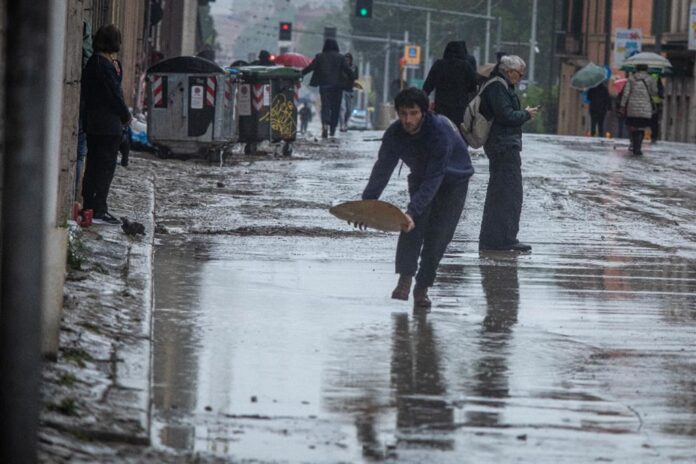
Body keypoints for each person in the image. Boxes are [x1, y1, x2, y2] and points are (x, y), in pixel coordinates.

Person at [360, 88, 474, 309]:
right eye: (403, 114)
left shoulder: (439, 132)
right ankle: (404, 279)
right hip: (421, 176)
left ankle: (422, 287)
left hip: (453, 181)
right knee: (410, 227)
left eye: (413, 113)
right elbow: (382, 170)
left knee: (438, 237)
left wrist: (413, 211)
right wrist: (366, 205)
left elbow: (435, 178)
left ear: (424, 112)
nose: (408, 120)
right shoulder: (395, 134)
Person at [478, 55, 538, 252]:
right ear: (508, 71)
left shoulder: (501, 86)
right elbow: (506, 115)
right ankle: (503, 239)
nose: (519, 78)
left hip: (503, 144)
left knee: (503, 193)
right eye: (518, 74)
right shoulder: (498, 87)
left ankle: (498, 237)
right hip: (502, 145)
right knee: (508, 194)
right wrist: (526, 114)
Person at [80, 24, 131, 225]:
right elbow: (114, 94)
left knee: (97, 165)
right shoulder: (101, 65)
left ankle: (92, 206)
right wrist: (125, 115)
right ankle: (98, 208)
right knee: (102, 167)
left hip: (101, 124)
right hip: (105, 125)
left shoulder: (102, 63)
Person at [302, 39, 354, 138]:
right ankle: (333, 129)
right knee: (336, 108)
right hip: (338, 87)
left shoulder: (320, 56)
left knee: (325, 106)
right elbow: (348, 70)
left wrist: (301, 74)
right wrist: (352, 79)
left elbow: (310, 67)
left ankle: (325, 125)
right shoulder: (341, 58)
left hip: (324, 85)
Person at [422, 41, 478, 126]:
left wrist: (422, 102)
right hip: (460, 108)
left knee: (443, 130)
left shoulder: (439, 65)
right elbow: (473, 86)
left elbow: (427, 86)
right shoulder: (465, 66)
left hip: (441, 107)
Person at [619, 64, 658, 155]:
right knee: (641, 128)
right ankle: (638, 147)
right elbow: (654, 93)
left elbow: (626, 93)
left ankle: (634, 145)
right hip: (645, 107)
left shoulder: (631, 79)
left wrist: (622, 106)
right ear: (646, 69)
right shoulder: (650, 79)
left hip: (632, 107)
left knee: (634, 127)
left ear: (636, 69)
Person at [339, 52, 359, 132]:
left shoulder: (354, 67)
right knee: (342, 108)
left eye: (348, 59)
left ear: (351, 60)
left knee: (349, 109)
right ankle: (342, 125)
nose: (347, 61)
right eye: (346, 59)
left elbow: (356, 77)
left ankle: (346, 122)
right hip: (341, 90)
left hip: (350, 90)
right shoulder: (341, 67)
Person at [649, 72, 664, 144]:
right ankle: (654, 137)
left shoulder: (637, 76)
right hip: (655, 102)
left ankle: (639, 137)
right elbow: (660, 88)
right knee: (654, 121)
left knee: (642, 120)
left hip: (646, 101)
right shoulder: (656, 75)